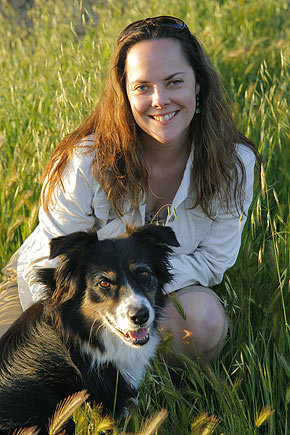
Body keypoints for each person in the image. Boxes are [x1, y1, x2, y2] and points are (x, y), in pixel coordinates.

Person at [0, 16, 259, 364]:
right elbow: (54, 259)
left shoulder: (234, 164)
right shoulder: (86, 160)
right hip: (51, 291)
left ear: (198, 85)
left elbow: (213, 261)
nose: (159, 100)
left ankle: (163, 395)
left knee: (205, 321)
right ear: (124, 92)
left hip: (152, 290)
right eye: (142, 87)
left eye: (174, 82)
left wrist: (137, 288)